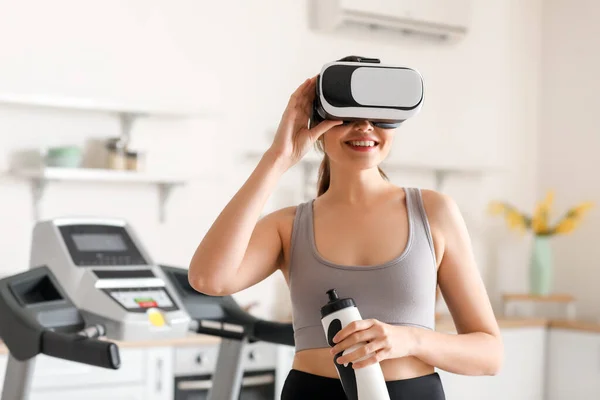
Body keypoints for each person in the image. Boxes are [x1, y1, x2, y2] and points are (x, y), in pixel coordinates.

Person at [188, 71, 503, 399]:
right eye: (348, 116)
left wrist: (409, 340)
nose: (365, 126)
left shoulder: (433, 211)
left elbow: (490, 355)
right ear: (317, 128)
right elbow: (209, 280)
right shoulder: (289, 225)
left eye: (379, 116)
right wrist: (278, 159)